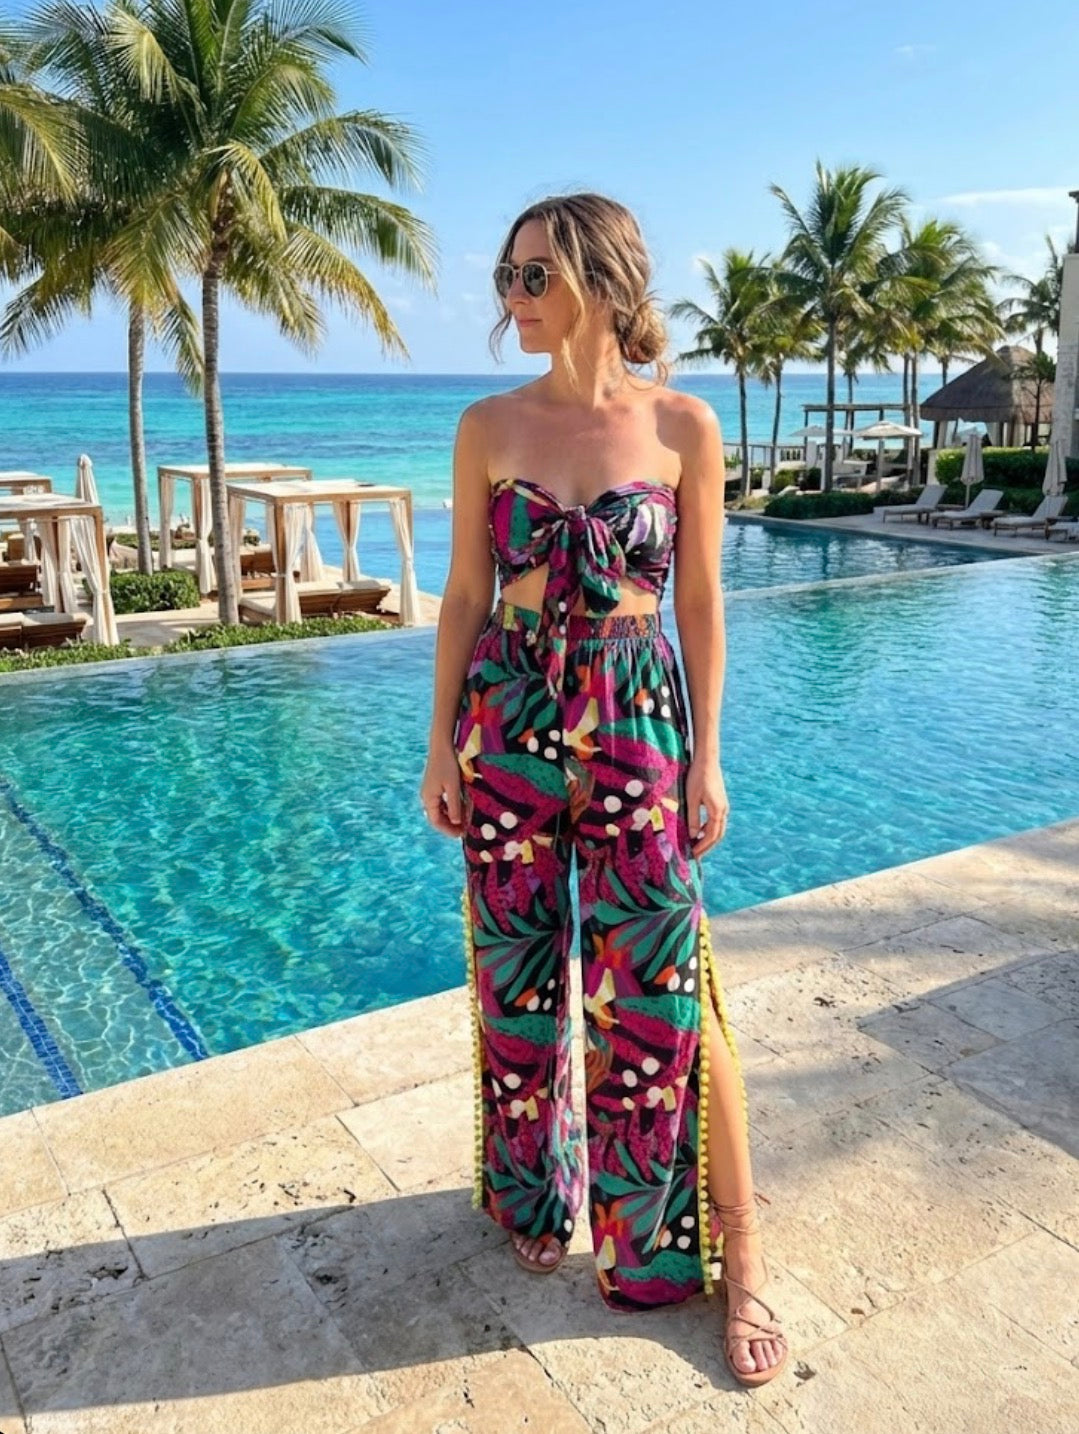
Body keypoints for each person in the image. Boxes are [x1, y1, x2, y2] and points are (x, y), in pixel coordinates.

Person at [420, 192, 788, 1387]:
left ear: (595, 278)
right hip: (508, 706)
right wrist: (439, 745)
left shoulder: (683, 425)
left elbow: (697, 605)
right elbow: (466, 597)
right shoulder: (487, 424)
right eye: (505, 277)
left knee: (663, 990)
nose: (509, 300)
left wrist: (709, 754)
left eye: (530, 277)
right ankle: (537, 1198)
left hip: (636, 712)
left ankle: (730, 1253)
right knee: (517, 971)